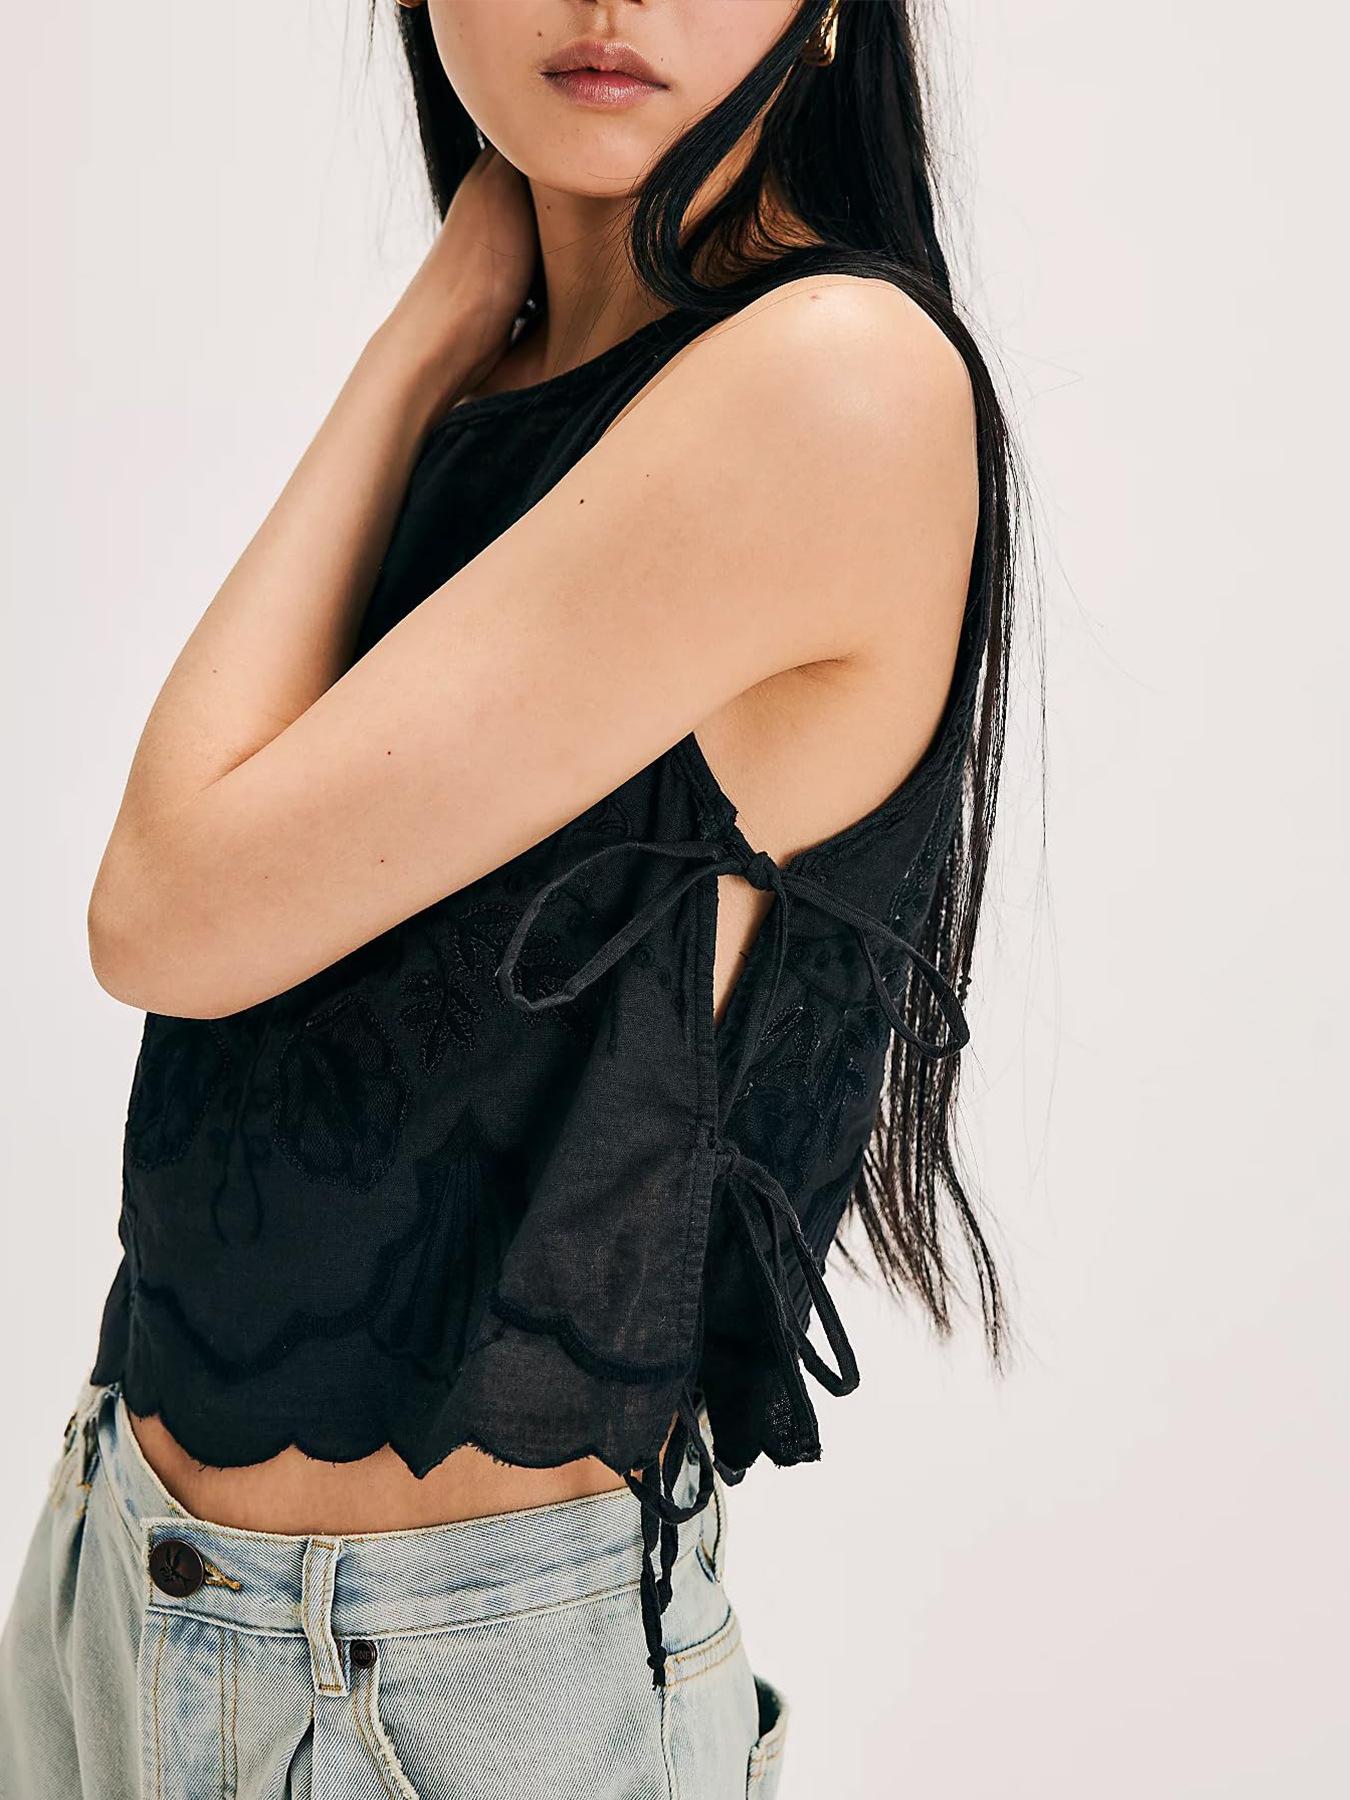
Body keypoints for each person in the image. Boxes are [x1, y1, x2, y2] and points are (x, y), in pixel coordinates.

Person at [0, 2, 1028, 1794]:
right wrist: (449, 343)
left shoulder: (830, 377)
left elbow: (164, 909)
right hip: (124, 1571)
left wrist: (415, 340)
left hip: (433, 1690)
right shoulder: (525, 369)